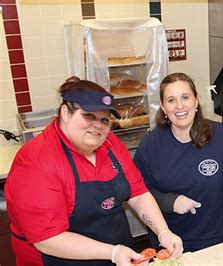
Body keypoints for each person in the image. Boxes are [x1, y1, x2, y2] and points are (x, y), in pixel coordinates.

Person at [5, 77, 183, 266]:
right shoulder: (36, 162)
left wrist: (163, 232)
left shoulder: (111, 144)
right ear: (65, 113)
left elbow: (138, 194)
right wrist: (113, 252)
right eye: (89, 116)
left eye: (104, 119)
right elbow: (48, 239)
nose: (98, 125)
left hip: (116, 255)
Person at [133, 73, 223, 252]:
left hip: (210, 238)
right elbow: (138, 191)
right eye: (171, 100)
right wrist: (169, 201)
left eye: (185, 97)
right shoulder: (151, 145)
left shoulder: (221, 136)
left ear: (196, 101)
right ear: (163, 107)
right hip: (166, 239)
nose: (180, 106)